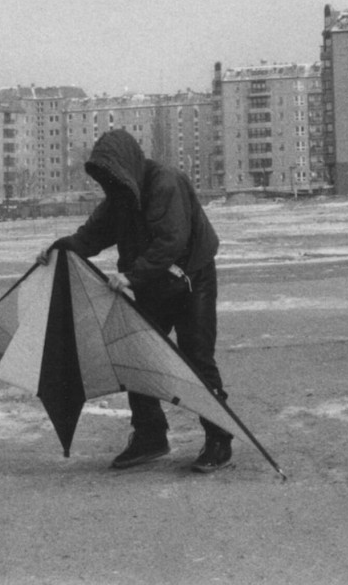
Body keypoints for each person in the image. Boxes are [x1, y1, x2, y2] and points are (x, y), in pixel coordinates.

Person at [43, 128, 235, 473]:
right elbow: (89, 238)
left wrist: (131, 276)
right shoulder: (118, 197)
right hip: (151, 282)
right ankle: (150, 436)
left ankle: (219, 437)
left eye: (112, 174)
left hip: (192, 279)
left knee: (196, 358)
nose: (109, 183)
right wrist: (57, 250)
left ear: (127, 165)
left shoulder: (166, 183)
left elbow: (172, 241)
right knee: (137, 355)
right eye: (104, 178)